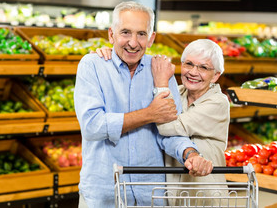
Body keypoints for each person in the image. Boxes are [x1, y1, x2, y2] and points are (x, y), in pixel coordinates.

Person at [74, 1, 213, 208]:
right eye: (125, 32)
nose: (133, 42)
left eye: (141, 34)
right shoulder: (92, 66)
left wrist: (189, 153)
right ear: (111, 35)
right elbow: (92, 126)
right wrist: (150, 114)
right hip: (105, 192)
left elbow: (170, 130)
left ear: (151, 38)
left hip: (151, 193)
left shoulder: (161, 71)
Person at [95, 39, 230, 206]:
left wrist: (161, 82)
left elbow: (167, 125)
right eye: (189, 64)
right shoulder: (178, 92)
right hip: (175, 194)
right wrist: (111, 57)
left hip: (205, 194)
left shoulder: (218, 102)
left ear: (216, 75)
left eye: (203, 67)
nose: (193, 72)